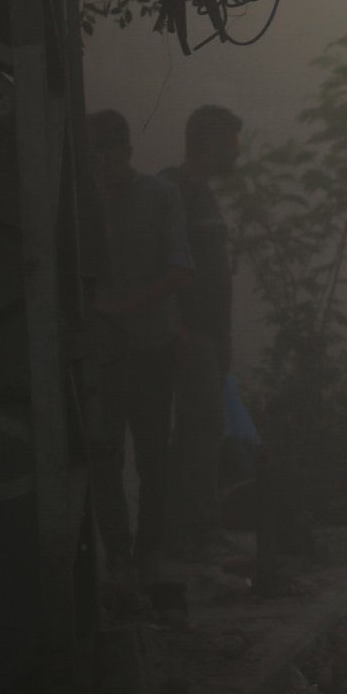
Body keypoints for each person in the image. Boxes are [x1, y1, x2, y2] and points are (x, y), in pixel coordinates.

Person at [86, 109, 193, 580]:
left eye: (104, 154)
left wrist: (126, 306)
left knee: (151, 453)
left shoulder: (159, 195)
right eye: (91, 156)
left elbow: (181, 268)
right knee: (105, 453)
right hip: (102, 352)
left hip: (150, 345)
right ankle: (119, 552)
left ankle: (147, 552)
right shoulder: (79, 203)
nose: (98, 165)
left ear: (125, 153)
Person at [160, 105, 242, 556]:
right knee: (201, 427)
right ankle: (195, 530)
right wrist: (179, 327)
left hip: (207, 335)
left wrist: (224, 337)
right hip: (188, 335)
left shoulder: (203, 192)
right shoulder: (172, 189)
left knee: (201, 428)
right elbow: (161, 261)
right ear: (209, 144)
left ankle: (184, 528)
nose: (236, 155)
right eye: (231, 145)